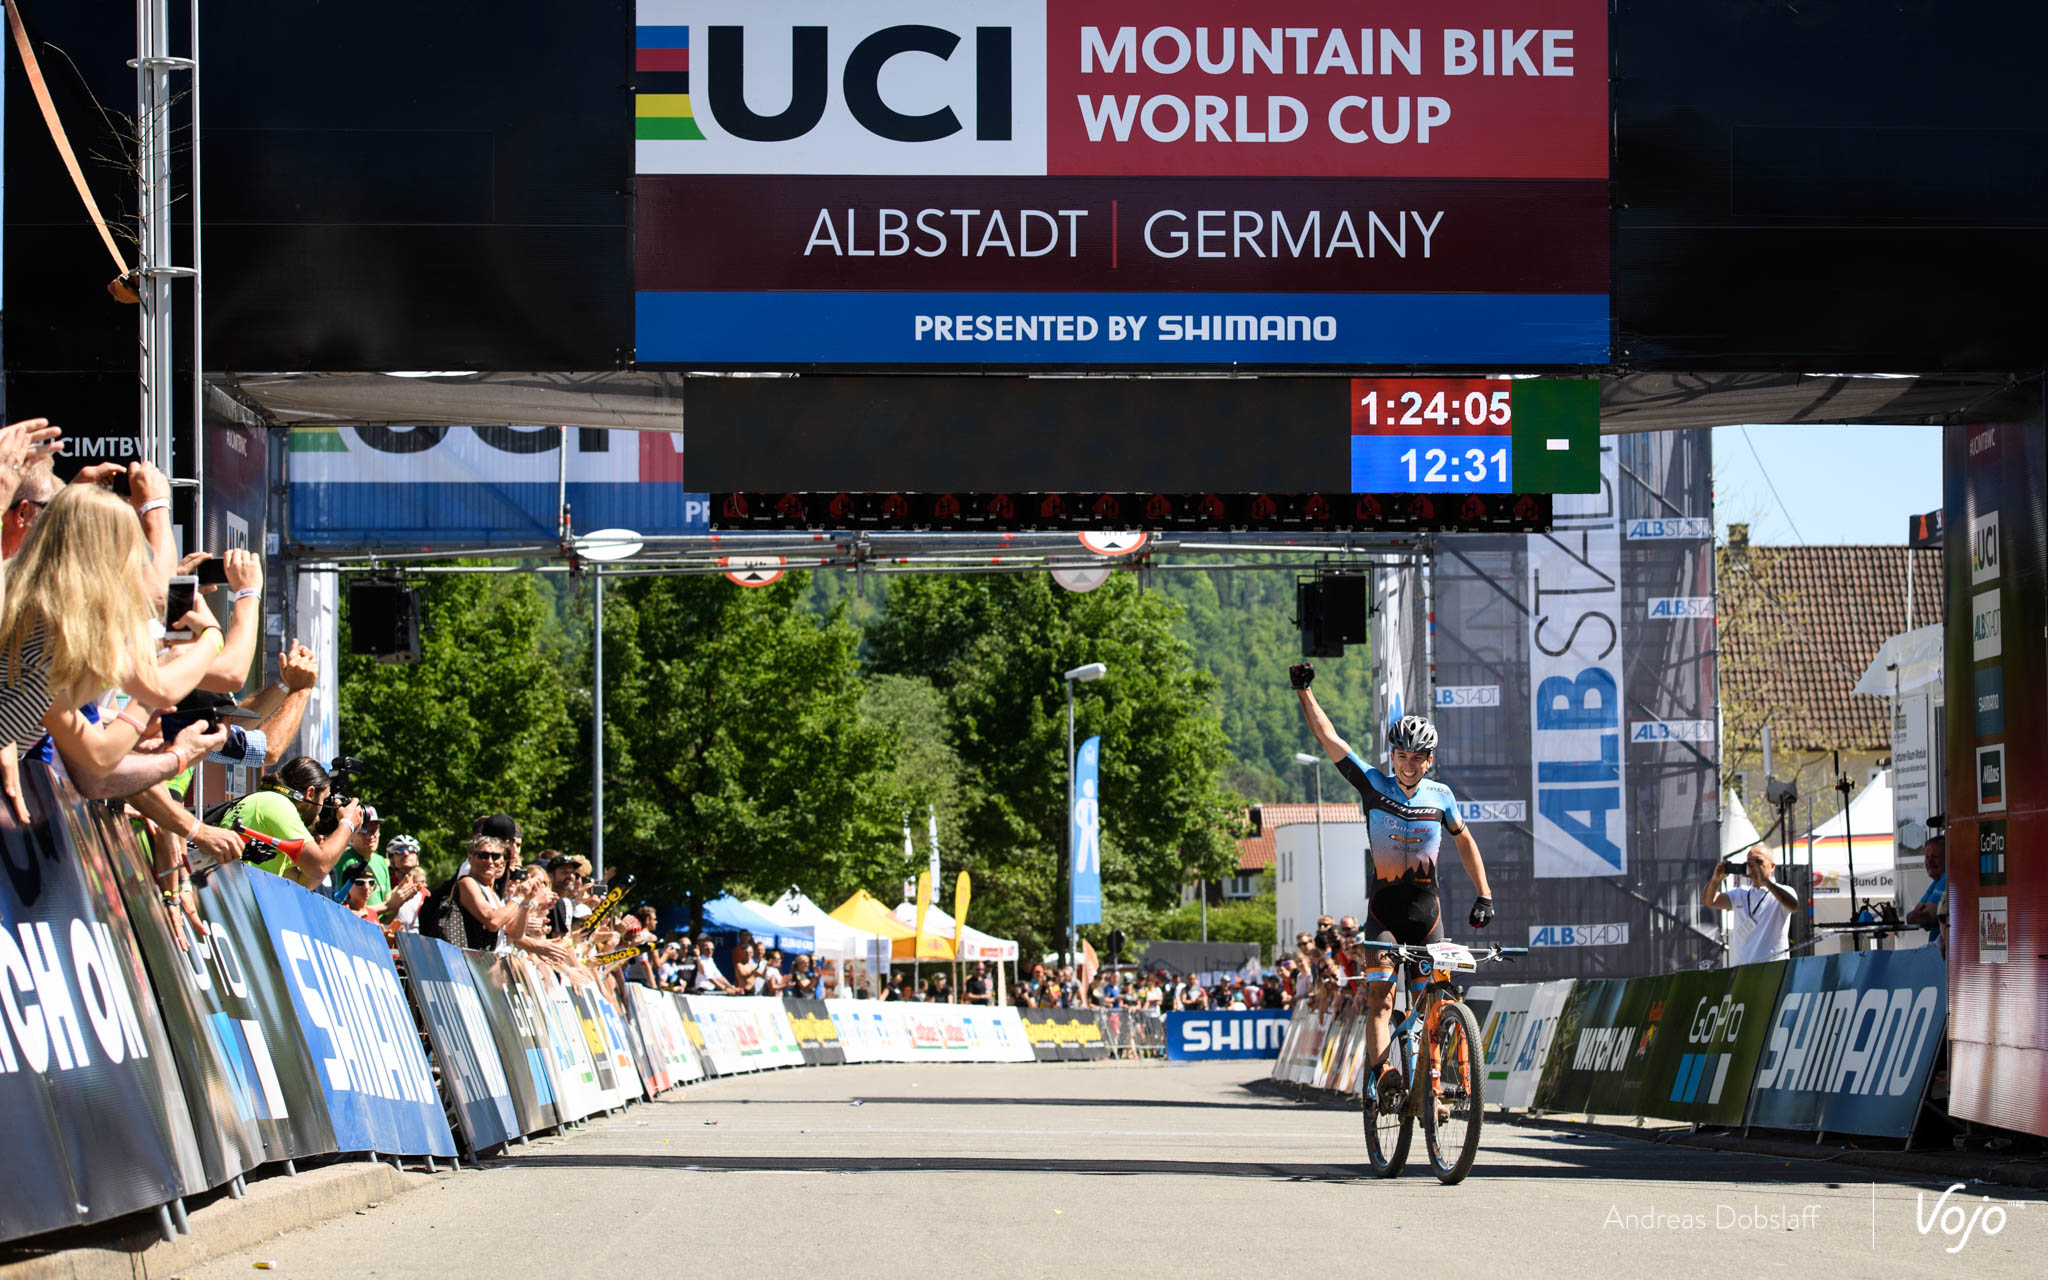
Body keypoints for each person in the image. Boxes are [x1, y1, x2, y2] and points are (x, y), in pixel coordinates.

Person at [1294, 661, 1494, 1105]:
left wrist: (1485, 894)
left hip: (1427, 916)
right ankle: (1384, 1074)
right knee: (1381, 1003)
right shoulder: (1373, 785)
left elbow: (1466, 843)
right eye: (1402, 756)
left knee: (1433, 1009)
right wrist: (1304, 692)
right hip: (1383, 916)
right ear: (1393, 756)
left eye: (1418, 757)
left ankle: (1431, 1089)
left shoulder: (1441, 796)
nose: (1409, 764)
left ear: (1429, 759)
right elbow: (1332, 740)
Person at [219, 756, 364, 889]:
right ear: (310, 793)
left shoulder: (265, 800)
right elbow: (319, 865)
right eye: (323, 799)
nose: (321, 810)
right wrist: (347, 824)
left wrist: (345, 836)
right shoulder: (277, 803)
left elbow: (301, 883)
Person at [1702, 844, 1798, 967]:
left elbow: (1793, 906)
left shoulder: (1785, 890)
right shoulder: (1740, 893)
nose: (1754, 867)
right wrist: (1716, 879)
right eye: (1749, 863)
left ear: (1772, 866)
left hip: (1773, 968)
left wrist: (1766, 882)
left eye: (1759, 862)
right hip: (1742, 968)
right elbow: (1708, 900)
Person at [1905, 831, 1948, 956]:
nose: (1929, 861)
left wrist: (1914, 917)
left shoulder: (1947, 877)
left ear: (1947, 857)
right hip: (1937, 953)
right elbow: (1915, 917)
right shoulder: (1936, 881)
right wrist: (1912, 917)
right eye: (1927, 857)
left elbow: (1927, 916)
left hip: (1946, 956)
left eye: (1934, 857)